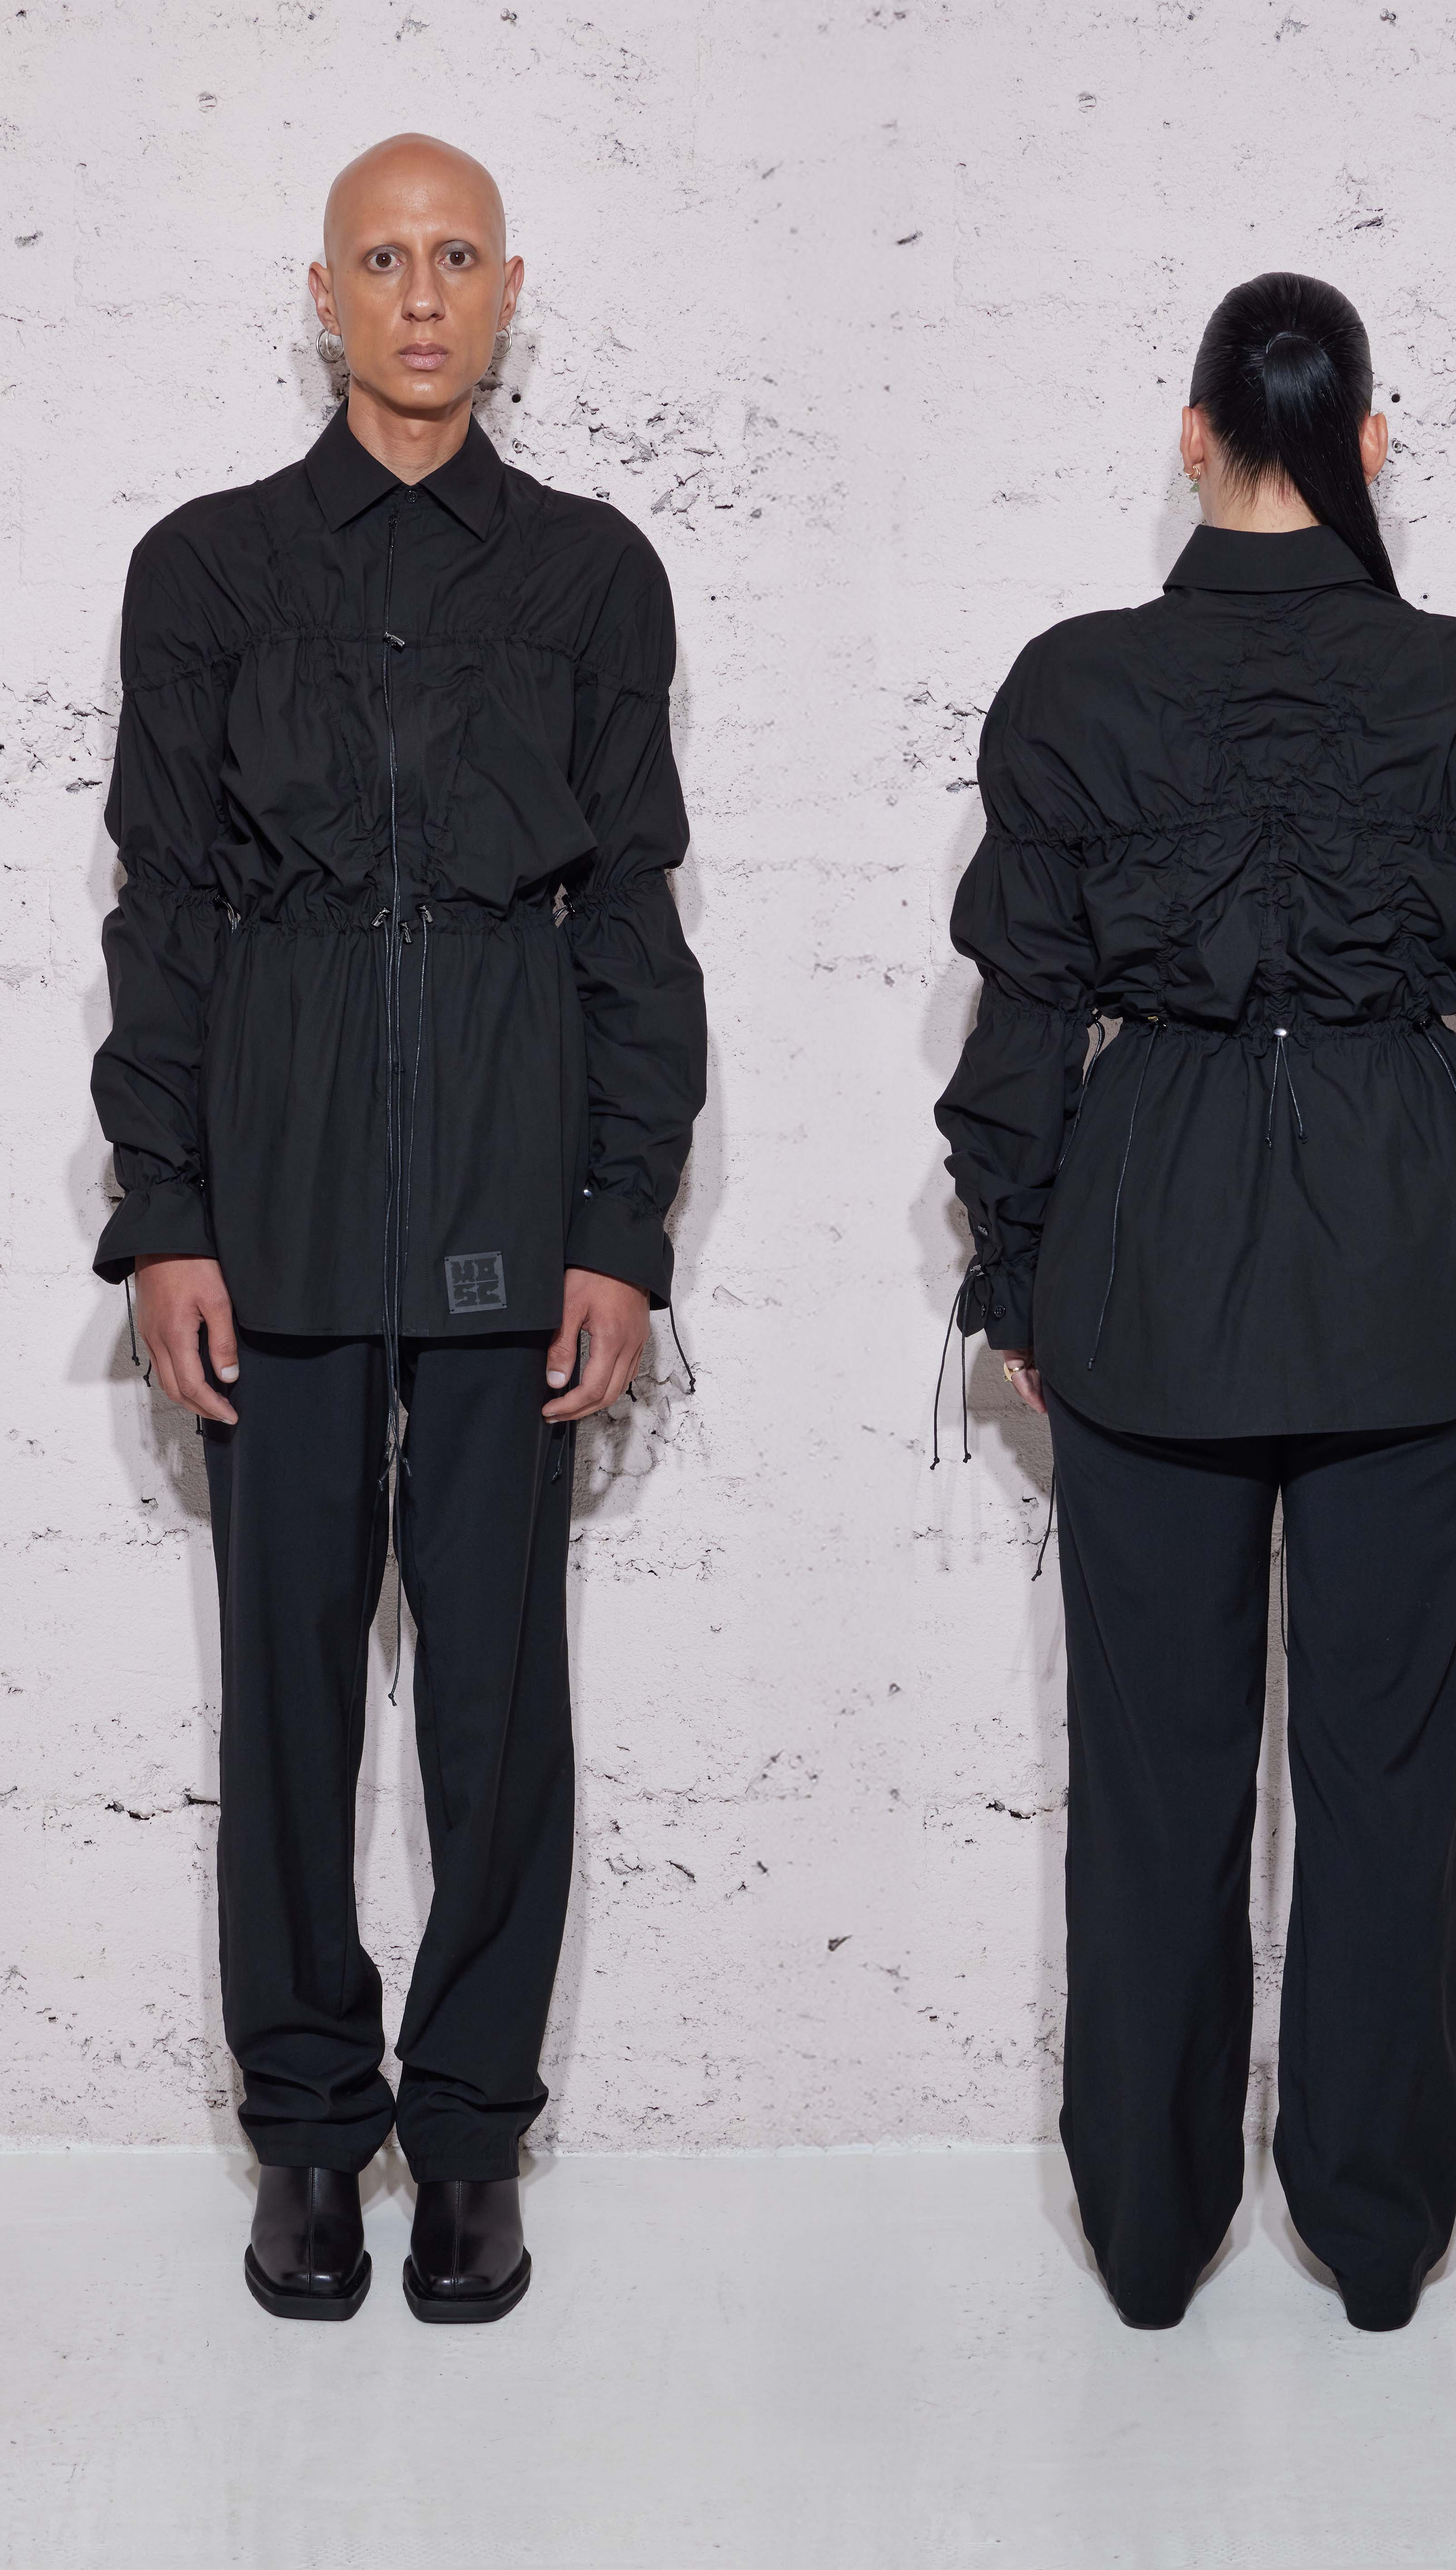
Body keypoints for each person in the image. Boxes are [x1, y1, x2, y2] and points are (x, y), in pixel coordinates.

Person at [934, 272, 1456, 2332]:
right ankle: (1378, 2232)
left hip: (1148, 1255)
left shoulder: (1072, 686)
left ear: (1191, 435)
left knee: (1153, 1777)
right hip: (1411, 1255)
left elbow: (1020, 1024)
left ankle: (1151, 2235)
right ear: (1370, 441)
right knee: (1392, 1774)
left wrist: (1019, 1264)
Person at [91, 134, 706, 2322]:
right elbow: (163, 908)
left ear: (509, 288)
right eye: (384, 257)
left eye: (457, 257)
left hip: (507, 1208)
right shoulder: (207, 570)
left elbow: (632, 919)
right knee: (285, 1699)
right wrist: (166, 1211)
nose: (423, 295)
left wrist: (620, 1225)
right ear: (326, 292)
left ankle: (467, 2145)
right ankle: (302, 2137)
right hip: (267, 1209)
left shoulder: (595, 578)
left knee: (498, 1706)